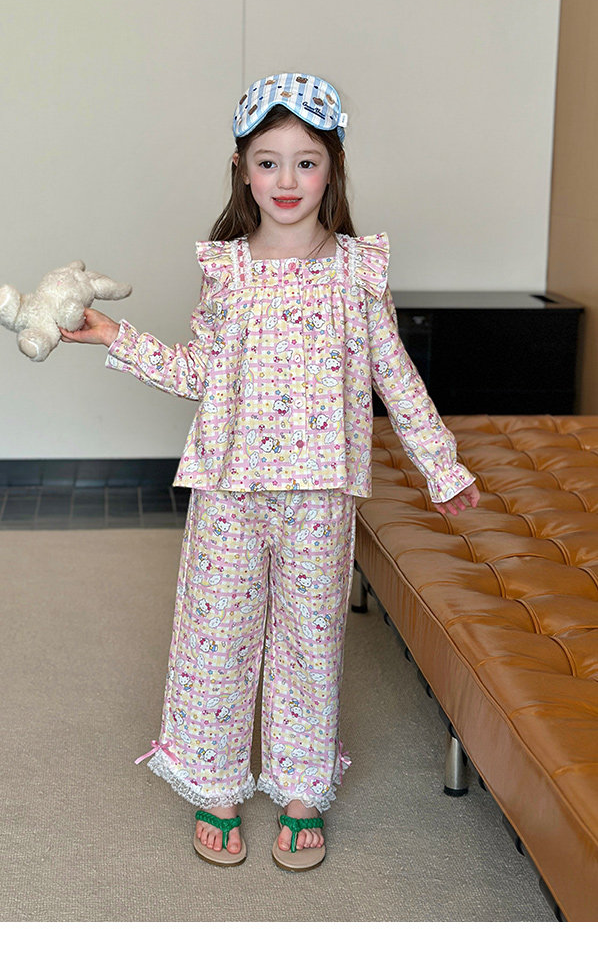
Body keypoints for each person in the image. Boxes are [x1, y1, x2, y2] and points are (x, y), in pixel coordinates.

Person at [60, 72, 480, 870]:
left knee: (309, 644)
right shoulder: (227, 270)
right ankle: (216, 784)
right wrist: (112, 335)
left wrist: (442, 466)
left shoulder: (358, 269)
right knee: (216, 637)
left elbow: (394, 374)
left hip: (322, 494)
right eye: (268, 162)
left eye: (306, 162)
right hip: (230, 488)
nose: (287, 180)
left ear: (333, 169)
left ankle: (300, 788)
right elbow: (199, 372)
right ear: (242, 171)